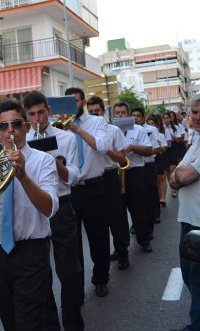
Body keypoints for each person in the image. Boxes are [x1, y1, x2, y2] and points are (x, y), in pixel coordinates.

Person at [0, 100, 59, 330]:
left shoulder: (43, 161)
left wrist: (23, 176)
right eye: (3, 126)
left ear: (27, 127)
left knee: (29, 323)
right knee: (9, 322)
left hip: (31, 252)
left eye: (16, 124)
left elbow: (49, 207)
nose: (10, 130)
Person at [25, 91, 83, 331]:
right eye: (31, 115)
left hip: (62, 204)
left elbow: (74, 177)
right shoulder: (23, 140)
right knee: (40, 275)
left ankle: (72, 322)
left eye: (41, 112)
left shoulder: (66, 138)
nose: (37, 119)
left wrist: (55, 165)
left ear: (48, 111)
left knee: (68, 271)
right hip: (35, 208)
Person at [64, 87, 111, 298]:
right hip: (70, 190)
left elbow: (101, 146)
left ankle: (101, 279)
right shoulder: (60, 127)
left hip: (93, 186)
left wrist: (78, 130)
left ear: (82, 102)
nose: (71, 105)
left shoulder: (97, 122)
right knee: (72, 245)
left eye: (74, 101)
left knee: (98, 237)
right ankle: (77, 290)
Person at [86, 96, 130, 271]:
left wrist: (105, 149)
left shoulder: (113, 130)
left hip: (110, 176)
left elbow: (122, 159)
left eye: (97, 111)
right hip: (92, 181)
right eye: (91, 112)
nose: (95, 114)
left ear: (103, 111)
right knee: (97, 224)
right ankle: (102, 263)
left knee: (116, 219)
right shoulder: (82, 131)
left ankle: (122, 252)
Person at [169, 95, 200, 331]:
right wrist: (179, 175)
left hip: (199, 223)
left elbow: (183, 176)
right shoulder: (196, 139)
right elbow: (176, 175)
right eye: (195, 112)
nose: (197, 117)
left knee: (198, 281)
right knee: (191, 278)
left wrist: (179, 175)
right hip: (188, 220)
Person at [113, 102, 153, 253]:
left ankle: (144, 240)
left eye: (123, 112)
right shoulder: (109, 131)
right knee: (118, 214)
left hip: (135, 173)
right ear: (113, 115)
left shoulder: (138, 129)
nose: (121, 115)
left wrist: (132, 147)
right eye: (117, 113)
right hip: (116, 175)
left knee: (138, 210)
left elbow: (149, 151)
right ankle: (121, 247)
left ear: (128, 115)